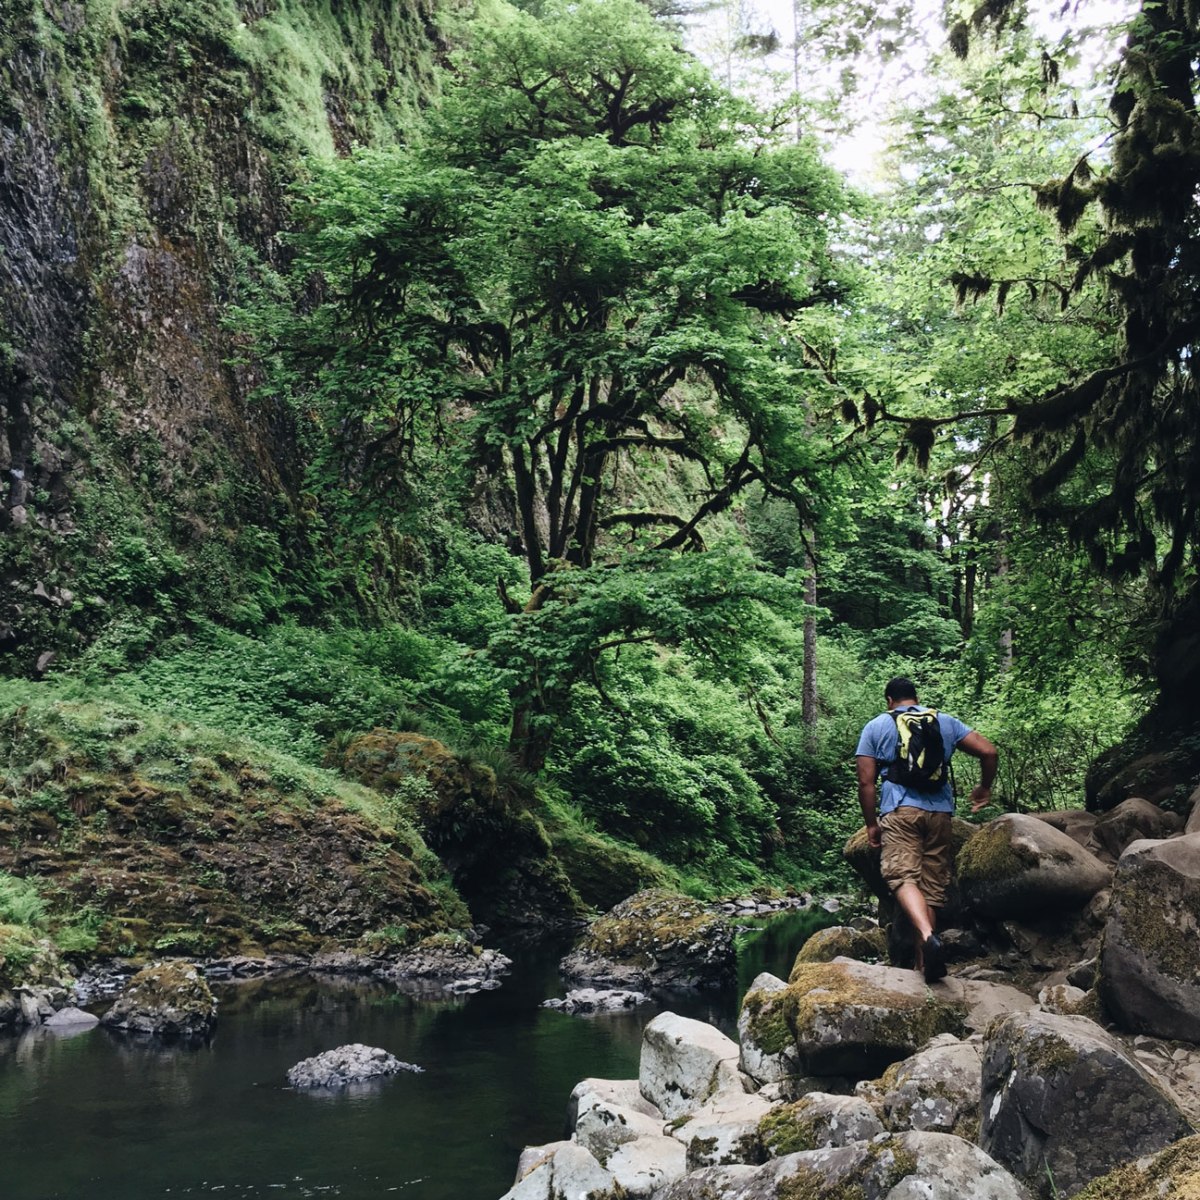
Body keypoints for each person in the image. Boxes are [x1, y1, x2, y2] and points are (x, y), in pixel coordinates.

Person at [855, 676, 998, 983]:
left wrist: (871, 824)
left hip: (901, 811)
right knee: (931, 887)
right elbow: (989, 751)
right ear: (916, 698)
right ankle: (924, 965)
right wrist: (984, 789)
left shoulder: (877, 726)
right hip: (941, 814)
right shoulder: (944, 722)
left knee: (902, 877)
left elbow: (866, 782)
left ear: (889, 700)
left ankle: (927, 934)